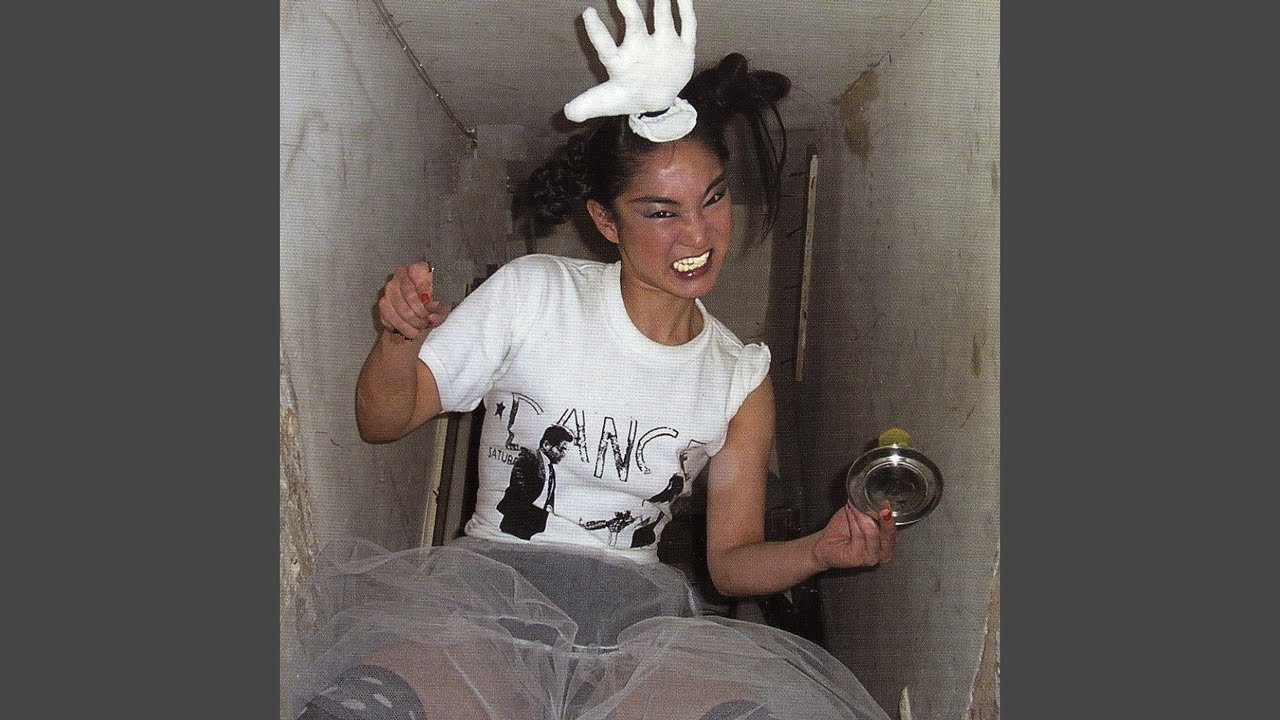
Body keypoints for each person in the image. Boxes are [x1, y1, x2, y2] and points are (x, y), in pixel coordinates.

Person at [294, 3, 897, 719]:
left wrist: (822, 550)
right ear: (605, 220)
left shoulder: (739, 377)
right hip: (488, 598)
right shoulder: (534, 294)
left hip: (636, 630)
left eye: (712, 199)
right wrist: (399, 339)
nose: (698, 235)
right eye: (661, 212)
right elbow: (383, 420)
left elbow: (732, 563)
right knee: (369, 707)